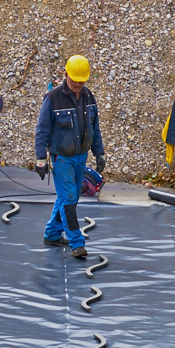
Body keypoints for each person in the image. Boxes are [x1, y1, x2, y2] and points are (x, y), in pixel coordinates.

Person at [33, 56, 106, 260]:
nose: (78, 84)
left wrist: (99, 152)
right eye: (75, 80)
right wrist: (41, 159)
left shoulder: (89, 98)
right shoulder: (53, 98)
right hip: (62, 158)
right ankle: (77, 243)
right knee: (69, 199)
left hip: (81, 156)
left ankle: (52, 234)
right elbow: (42, 130)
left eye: (82, 81)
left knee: (68, 197)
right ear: (66, 74)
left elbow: (94, 128)